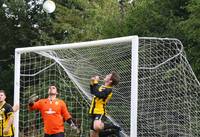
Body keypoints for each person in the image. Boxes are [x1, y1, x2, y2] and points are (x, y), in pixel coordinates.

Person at [89, 71, 120, 137]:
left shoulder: (109, 90)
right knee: (93, 135)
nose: (106, 75)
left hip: (100, 111)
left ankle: (113, 128)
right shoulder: (102, 87)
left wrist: (96, 82)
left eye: (108, 75)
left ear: (110, 81)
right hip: (93, 111)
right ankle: (109, 133)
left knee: (97, 126)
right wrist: (92, 82)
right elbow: (93, 91)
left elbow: (99, 94)